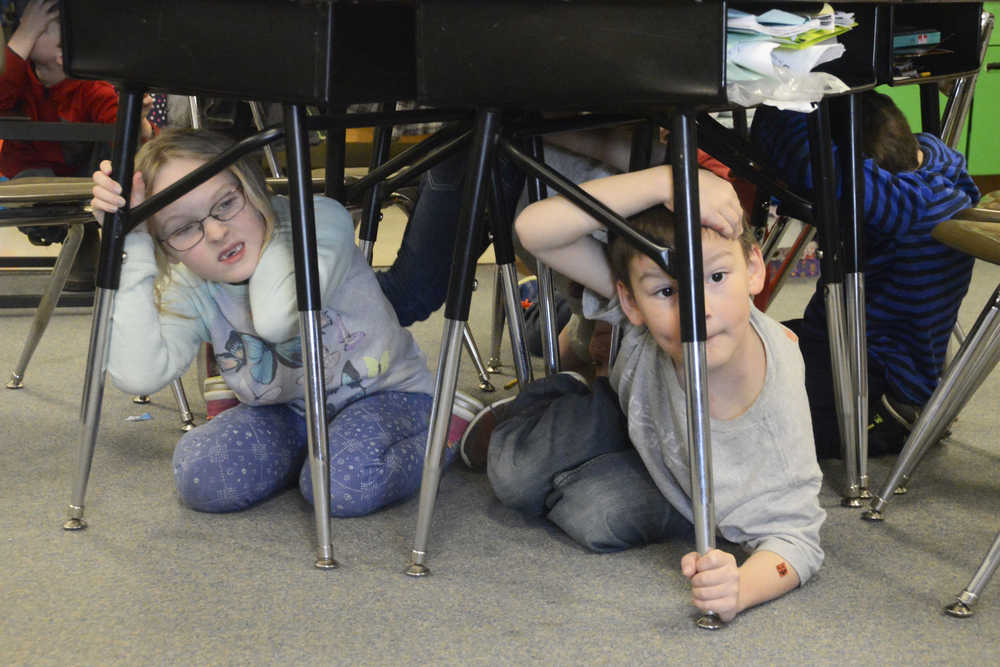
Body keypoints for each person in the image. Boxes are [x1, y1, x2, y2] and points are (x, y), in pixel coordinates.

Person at [460, 164, 825, 623]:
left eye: (715, 278)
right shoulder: (642, 309)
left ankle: (570, 457)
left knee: (599, 518)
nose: (697, 311)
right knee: (515, 474)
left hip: (679, 483)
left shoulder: (776, 411)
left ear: (754, 270)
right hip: (621, 410)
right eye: (668, 291)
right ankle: (562, 395)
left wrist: (741, 589)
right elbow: (533, 230)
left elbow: (800, 542)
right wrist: (669, 181)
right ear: (631, 302)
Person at [89, 128, 457, 517]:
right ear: (166, 248)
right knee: (202, 475)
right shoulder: (191, 281)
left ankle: (450, 429)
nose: (215, 232)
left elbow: (280, 319)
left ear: (253, 187)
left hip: (389, 395)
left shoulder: (318, 218)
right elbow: (138, 375)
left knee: (340, 487)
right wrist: (130, 242)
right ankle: (315, 455)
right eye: (183, 228)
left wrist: (261, 209)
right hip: (290, 411)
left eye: (226, 203)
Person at [750, 91, 981, 458]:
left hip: (877, 388)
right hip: (881, 356)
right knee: (752, 348)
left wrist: (779, 95)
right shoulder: (942, 166)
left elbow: (810, 162)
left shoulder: (899, 206)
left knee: (745, 404)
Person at [1, 0, 155, 290]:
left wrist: (139, 119)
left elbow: (139, 143)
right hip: (35, 185)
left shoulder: (92, 88)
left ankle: (88, 233)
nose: (26, 32)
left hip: (89, 183)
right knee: (36, 184)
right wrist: (24, 35)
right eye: (25, 27)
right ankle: (80, 238)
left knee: (122, 146)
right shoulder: (18, 79)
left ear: (64, 51)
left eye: (39, 29)